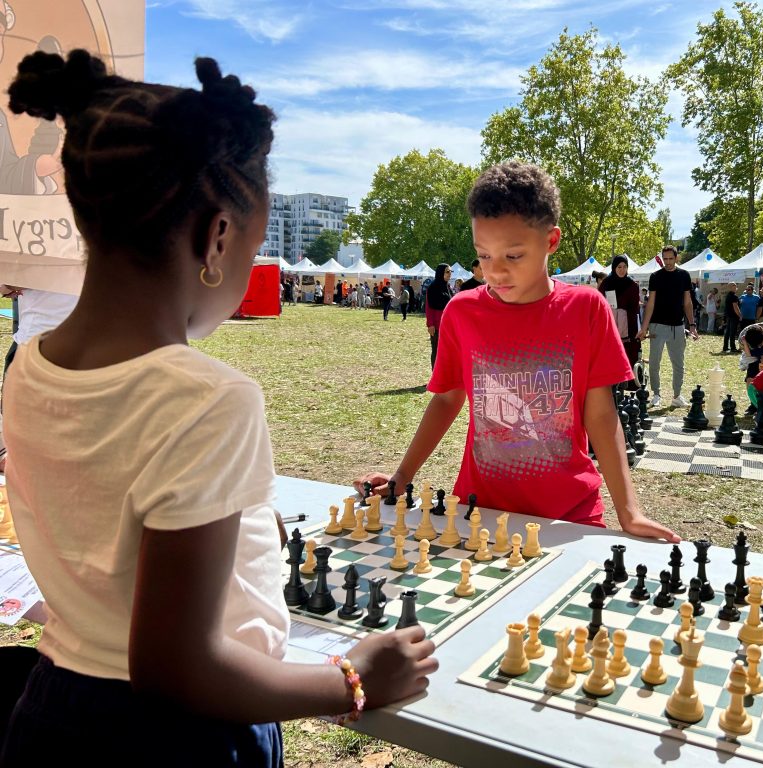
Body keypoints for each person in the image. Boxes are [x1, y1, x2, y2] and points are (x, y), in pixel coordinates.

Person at [0, 51, 437, 765]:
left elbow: (107, 520)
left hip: (54, 709)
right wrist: (352, 680)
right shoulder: (206, 398)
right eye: (255, 249)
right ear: (218, 239)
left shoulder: (29, 368)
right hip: (181, 741)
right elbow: (179, 669)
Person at [354, 162, 679, 542]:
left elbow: (601, 415)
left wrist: (629, 511)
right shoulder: (462, 311)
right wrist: (401, 477)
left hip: (570, 514)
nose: (495, 272)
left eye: (513, 256)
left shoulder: (587, 309)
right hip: (480, 510)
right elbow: (446, 399)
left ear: (551, 241)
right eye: (484, 256)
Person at [637, 245, 698, 409]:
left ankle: (677, 396)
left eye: (671, 259)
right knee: (654, 363)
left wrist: (692, 324)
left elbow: (687, 302)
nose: (668, 262)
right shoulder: (655, 276)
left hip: (678, 326)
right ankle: (656, 394)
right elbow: (650, 303)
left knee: (678, 363)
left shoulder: (684, 275)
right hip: (657, 325)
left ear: (676, 258)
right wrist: (644, 327)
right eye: (665, 259)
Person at [598, 255, 641, 370]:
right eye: (619, 267)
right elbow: (599, 303)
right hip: (609, 326)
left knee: (627, 357)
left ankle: (627, 378)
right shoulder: (606, 283)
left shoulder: (632, 285)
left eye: (625, 267)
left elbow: (635, 309)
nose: (622, 270)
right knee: (610, 357)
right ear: (614, 268)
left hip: (628, 328)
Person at [425, 264, 452, 368]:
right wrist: (430, 324)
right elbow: (428, 307)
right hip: (437, 326)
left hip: (448, 325)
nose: (449, 274)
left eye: (450, 271)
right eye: (447, 271)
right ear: (440, 273)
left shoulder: (447, 287)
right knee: (436, 351)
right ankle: (435, 375)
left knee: (447, 352)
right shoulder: (433, 287)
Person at [721, 282, 740, 353]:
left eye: (735, 286)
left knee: (728, 332)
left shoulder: (728, 295)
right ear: (730, 287)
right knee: (732, 332)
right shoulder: (734, 296)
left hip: (729, 316)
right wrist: (740, 315)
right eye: (733, 286)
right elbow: (735, 307)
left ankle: (725, 347)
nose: (735, 287)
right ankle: (733, 348)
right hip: (733, 316)